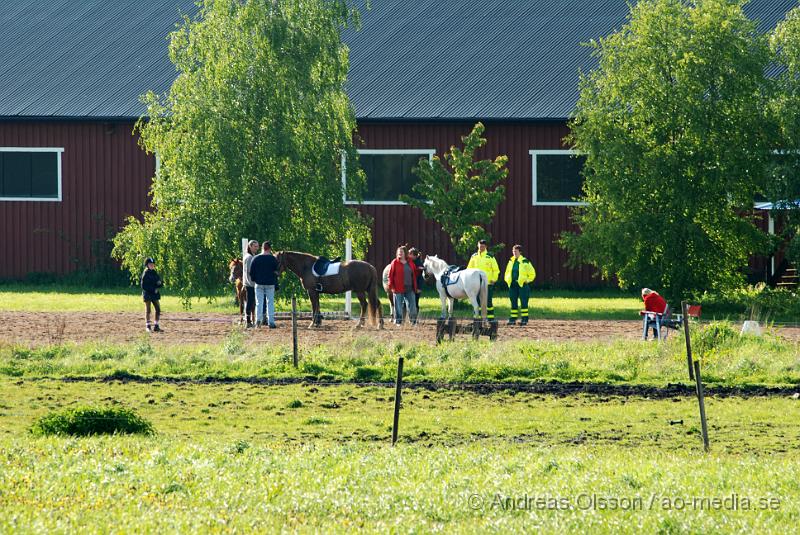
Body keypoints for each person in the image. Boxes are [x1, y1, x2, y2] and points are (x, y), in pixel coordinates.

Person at [467, 239, 500, 322]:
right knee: (476, 301)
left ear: (486, 247)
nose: (481, 247)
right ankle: (477, 318)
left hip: (487, 283)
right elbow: (469, 269)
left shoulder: (490, 257)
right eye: (480, 246)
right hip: (475, 284)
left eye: (483, 246)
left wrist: (494, 279)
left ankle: (490, 318)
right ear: (478, 246)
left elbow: (496, 270)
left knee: (488, 301)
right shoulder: (474, 256)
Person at [249, 241, 279, 328]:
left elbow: (251, 273)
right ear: (269, 249)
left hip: (259, 284)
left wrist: (255, 279)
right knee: (270, 303)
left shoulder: (255, 258)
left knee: (259, 303)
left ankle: (258, 321)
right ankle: (271, 322)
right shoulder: (273, 259)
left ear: (262, 248)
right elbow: (277, 271)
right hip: (270, 284)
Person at [504, 245, 536, 325]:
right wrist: (507, 279)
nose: (514, 253)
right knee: (513, 302)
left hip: (522, 285)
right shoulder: (511, 261)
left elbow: (532, 273)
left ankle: (524, 319)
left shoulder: (525, 261)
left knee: (524, 302)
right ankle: (512, 319)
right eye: (513, 251)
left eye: (516, 251)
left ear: (520, 252)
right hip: (512, 285)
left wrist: (527, 281)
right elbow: (507, 272)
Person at [387, 245, 419, 325]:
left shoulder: (410, 262)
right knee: (398, 306)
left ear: (405, 253)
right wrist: (392, 286)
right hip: (398, 288)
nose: (399, 253)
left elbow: (414, 272)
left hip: (410, 288)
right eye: (398, 252)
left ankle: (413, 321)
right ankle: (398, 322)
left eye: (401, 252)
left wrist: (421, 269)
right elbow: (390, 275)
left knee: (412, 306)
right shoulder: (394, 262)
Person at [140, 257, 163, 333]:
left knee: (158, 309)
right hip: (148, 294)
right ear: (147, 265)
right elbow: (143, 286)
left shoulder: (154, 272)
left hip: (154, 294)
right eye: (150, 264)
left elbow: (158, 281)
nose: (152, 265)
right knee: (148, 310)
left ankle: (156, 325)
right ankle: (148, 326)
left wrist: (160, 283)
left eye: (153, 264)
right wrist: (153, 289)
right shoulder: (145, 273)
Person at [242, 240, 259, 328]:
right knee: (250, 302)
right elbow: (249, 270)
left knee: (250, 301)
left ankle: (249, 320)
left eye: (257, 246)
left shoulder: (250, 256)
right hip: (251, 283)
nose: (257, 248)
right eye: (255, 246)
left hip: (249, 282)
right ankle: (248, 321)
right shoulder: (249, 257)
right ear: (250, 246)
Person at [408, 247, 425, 312]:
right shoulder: (408, 262)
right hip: (409, 286)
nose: (408, 255)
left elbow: (421, 278)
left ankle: (415, 318)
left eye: (410, 254)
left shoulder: (419, 264)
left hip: (416, 287)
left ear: (414, 255)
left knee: (415, 302)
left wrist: (419, 288)